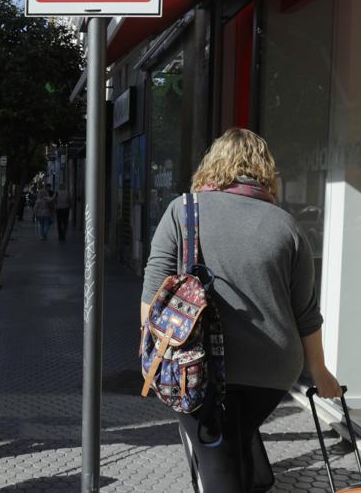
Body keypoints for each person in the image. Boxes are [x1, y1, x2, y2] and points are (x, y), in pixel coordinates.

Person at [141, 128, 340, 493]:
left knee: (217, 461)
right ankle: (257, 477)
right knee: (236, 433)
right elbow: (306, 313)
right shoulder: (288, 226)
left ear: (213, 164)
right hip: (273, 371)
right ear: (265, 171)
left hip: (197, 369)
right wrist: (320, 370)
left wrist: (156, 351)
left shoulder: (184, 211)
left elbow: (153, 293)